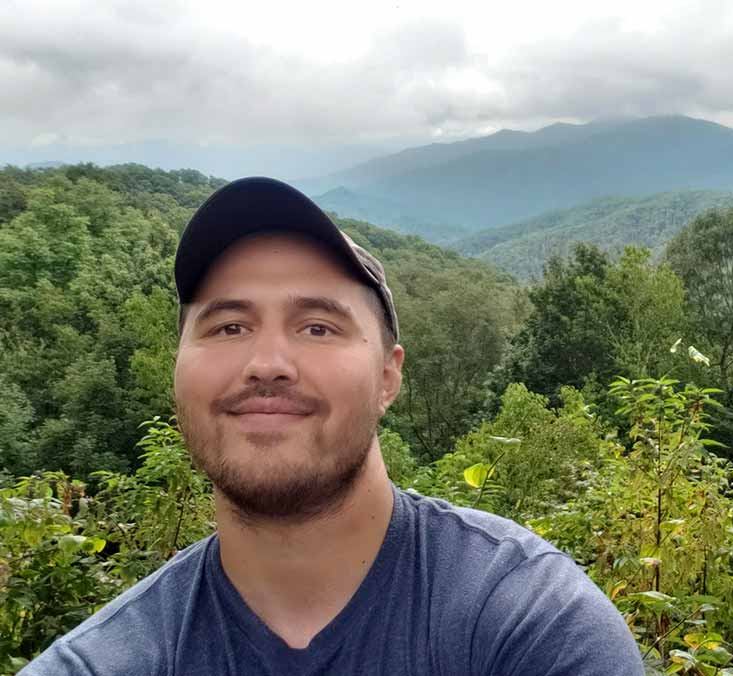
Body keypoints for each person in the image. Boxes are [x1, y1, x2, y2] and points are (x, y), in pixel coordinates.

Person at [21, 177, 645, 675]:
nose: (267, 364)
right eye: (228, 326)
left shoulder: (527, 626)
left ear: (388, 377)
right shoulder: (110, 659)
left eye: (317, 327)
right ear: (178, 369)